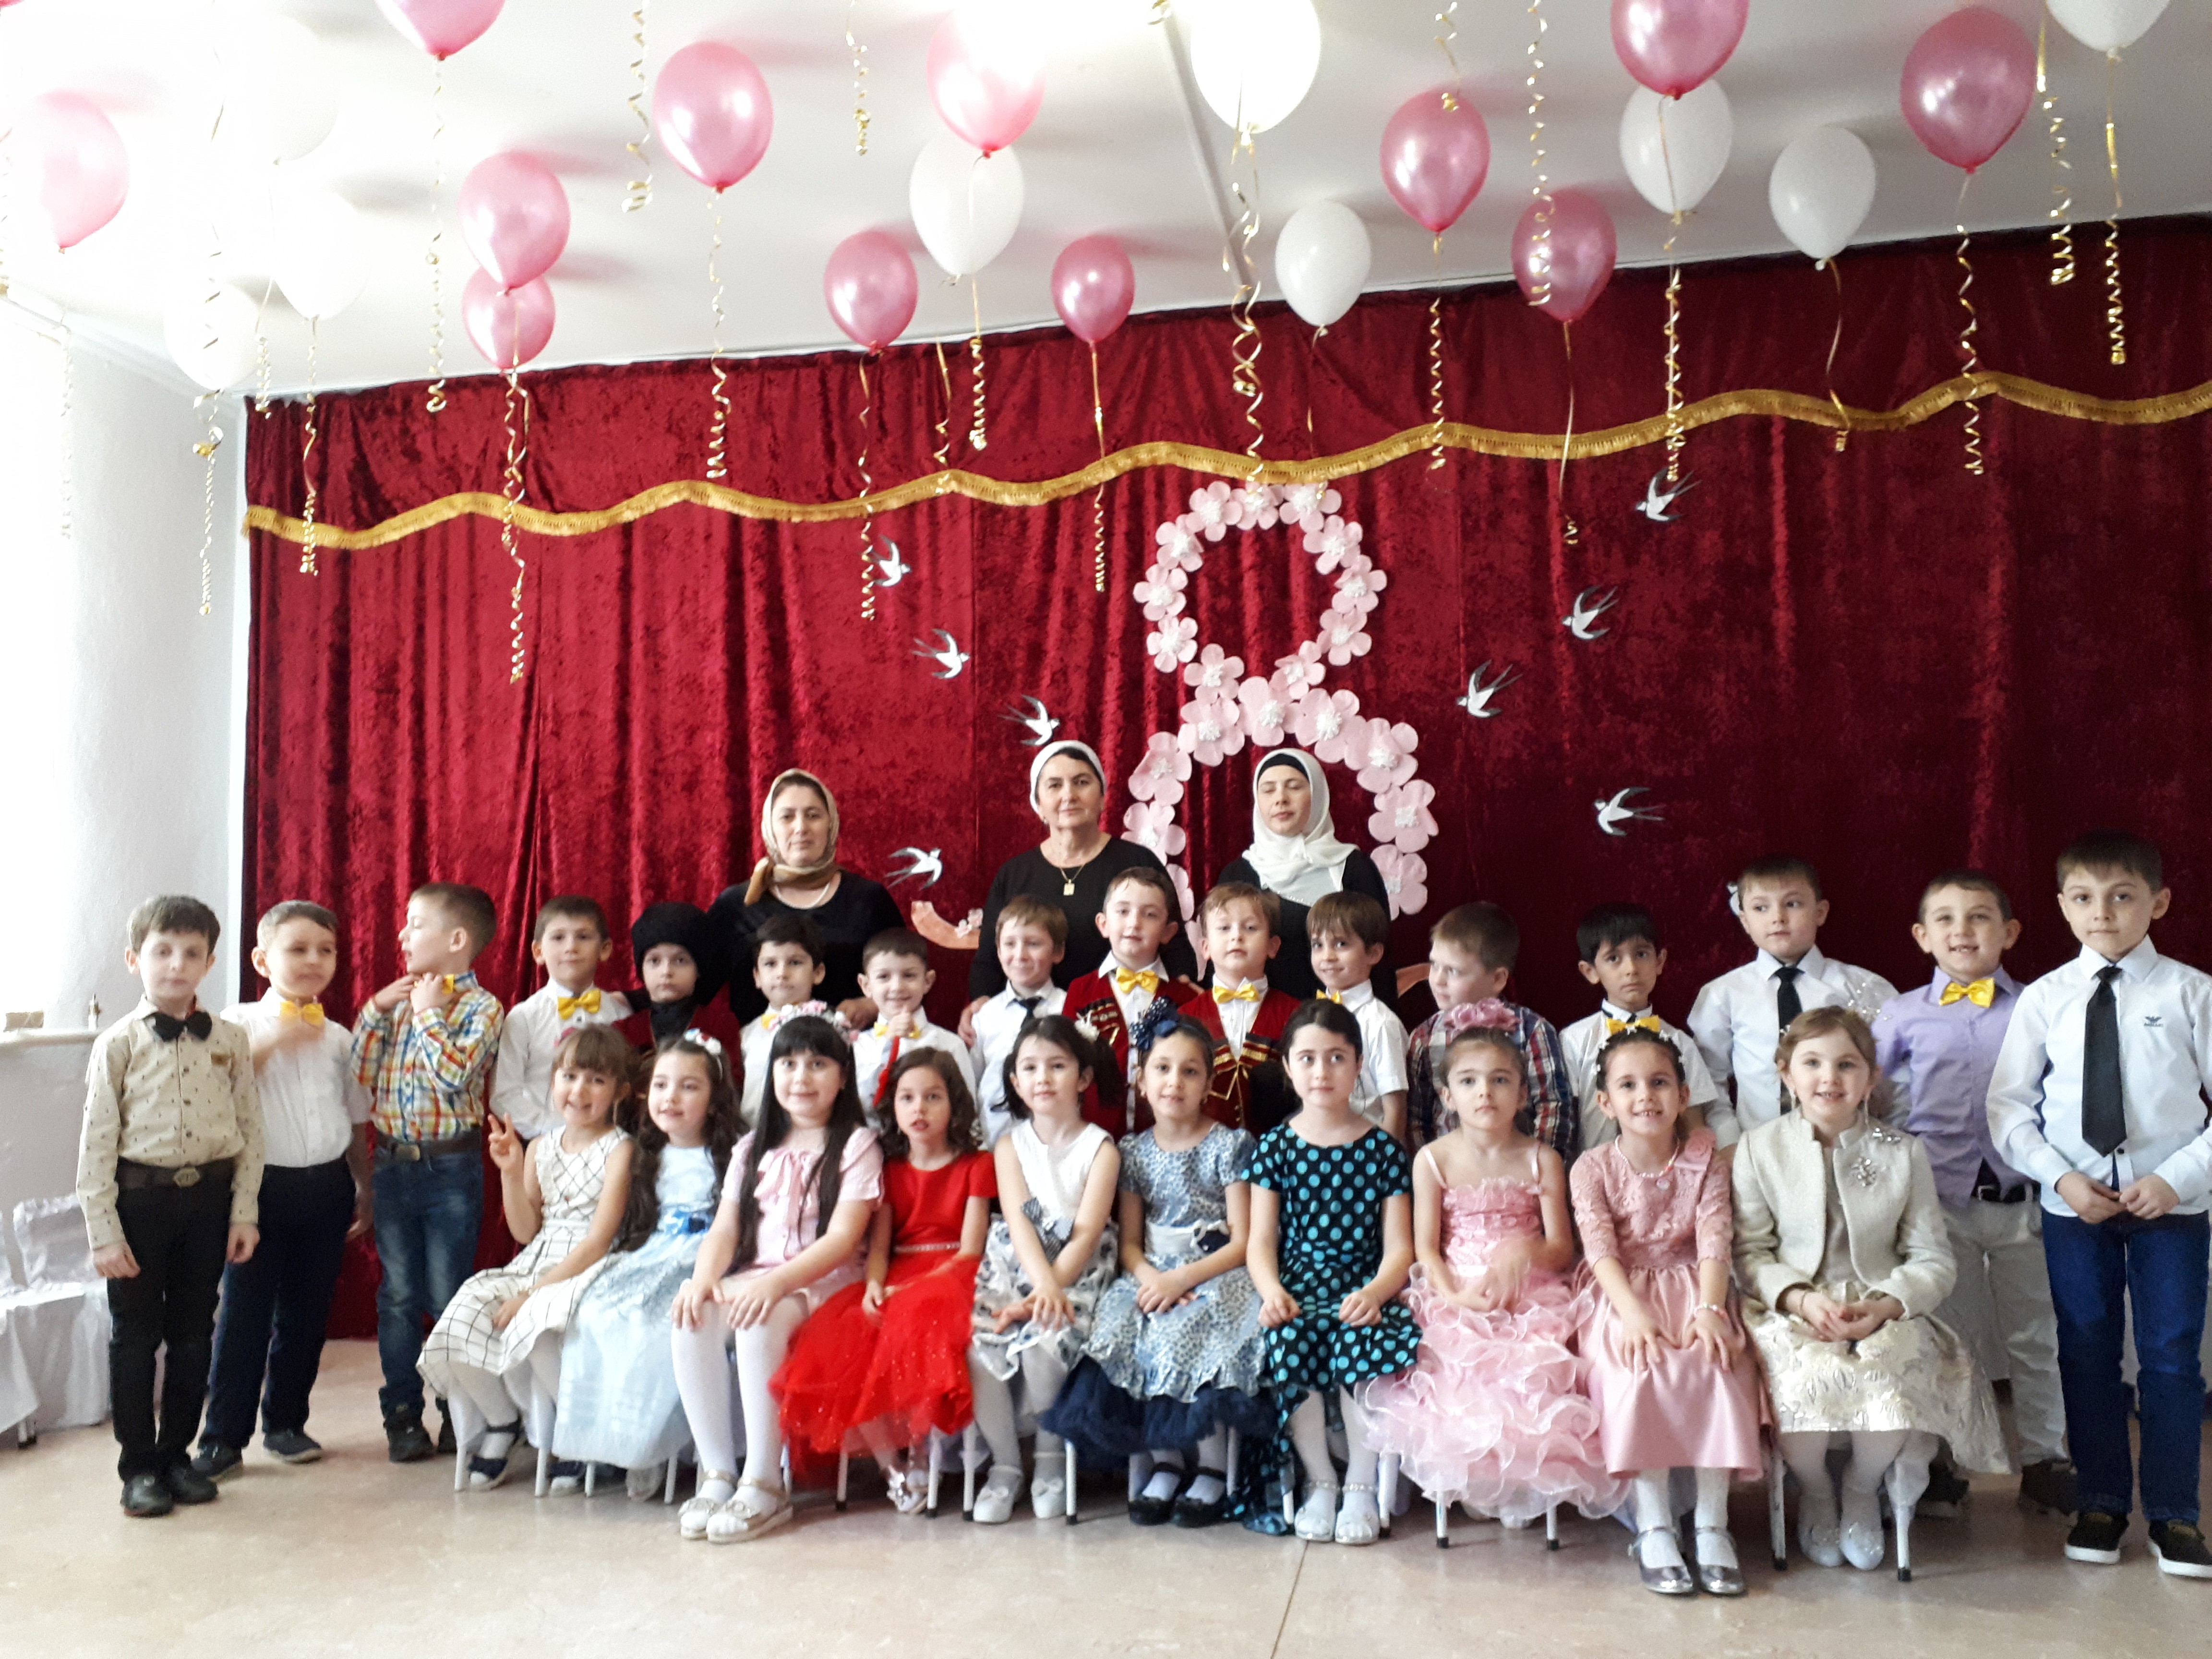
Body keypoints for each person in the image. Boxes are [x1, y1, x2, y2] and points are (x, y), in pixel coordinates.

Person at [1989, 830, 2212, 1578]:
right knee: (2085, 1353)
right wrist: (2061, 1180)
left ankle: (2176, 1515)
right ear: (2063, 906)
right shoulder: (2046, 999)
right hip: (2076, 1212)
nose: (2103, 914)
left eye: (2122, 897)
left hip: (2171, 1210)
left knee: (2171, 1357)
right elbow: (2008, 1109)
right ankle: (2102, 1503)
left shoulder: (2192, 992)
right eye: (2084, 899)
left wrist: (2176, 1177)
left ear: (2159, 902)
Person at [1735, 1008, 2008, 1573]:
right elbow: (1750, 1253)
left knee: (1888, 1371)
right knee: (1799, 1377)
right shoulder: (1759, 1148)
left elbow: (1933, 1257)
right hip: (1793, 1306)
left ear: (1871, 1078)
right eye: (1812, 1063)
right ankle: (1816, 1491)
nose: (1829, 1078)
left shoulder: (1902, 1152)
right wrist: (1800, 1299)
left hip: (1881, 1303)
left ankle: (1863, 1488)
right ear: (1786, 1074)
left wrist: (1886, 1305)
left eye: (1846, 1065)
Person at [1360, 1014, 1624, 1529]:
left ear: (1523, 1094)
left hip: (1531, 1291)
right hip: (1454, 1288)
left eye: (1500, 1080)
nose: (1485, 1092)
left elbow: (1561, 1247)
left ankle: (1522, 1479)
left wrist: (1525, 1253)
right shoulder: (1432, 1159)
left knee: (1530, 1365)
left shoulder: (1542, 1159)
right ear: (1447, 1096)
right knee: (1458, 1368)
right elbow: (1426, 1249)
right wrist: (1454, 1297)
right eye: (1469, 1081)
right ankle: (1475, 1475)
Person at [1874, 870, 2073, 1517]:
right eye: (1947, 919)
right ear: (1922, 936)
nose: (1962, 930)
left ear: (2009, 932)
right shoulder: (1901, 1014)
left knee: (2036, 1337)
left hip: (2024, 1202)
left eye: (1980, 916)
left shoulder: (2038, 1007)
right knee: (1945, 1339)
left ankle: (2045, 1458)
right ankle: (1942, 1463)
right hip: (1939, 1208)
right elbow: (1869, 1098)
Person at [1041, 1017, 1269, 1529]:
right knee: (1125, 1327)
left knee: (1195, 1329)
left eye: (1190, 1071)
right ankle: (1165, 1460)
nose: (1174, 1083)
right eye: (1162, 1069)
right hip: (1152, 1270)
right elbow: (1129, 1244)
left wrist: (1182, 1280)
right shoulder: (1133, 1152)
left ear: (1209, 1083)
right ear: (1141, 1082)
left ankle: (1211, 1466)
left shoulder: (1230, 1145)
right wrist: (1152, 1278)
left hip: (1214, 1273)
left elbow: (1243, 1241)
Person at [80, 895, 264, 1518]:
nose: (176, 965)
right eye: (162, 951)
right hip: (141, 1204)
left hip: (209, 1202)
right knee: (136, 1337)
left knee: (193, 1333)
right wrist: (104, 1232)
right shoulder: (117, 1044)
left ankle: (177, 1455)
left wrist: (244, 1211)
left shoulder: (231, 1040)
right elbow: (96, 1144)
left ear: (210, 962)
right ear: (135, 959)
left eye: (191, 953)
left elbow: (250, 1129)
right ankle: (138, 1468)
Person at [1571, 1028, 1766, 1597]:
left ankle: (1712, 1524)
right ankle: (1653, 1524)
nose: (1645, 1097)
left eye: (1659, 1083)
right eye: (1628, 1086)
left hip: (1696, 1283)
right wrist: (1632, 1314)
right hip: (1620, 1290)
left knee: (1718, 1362)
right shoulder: (1592, 1167)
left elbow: (1714, 1238)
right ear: (1606, 1102)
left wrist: (1710, 1308)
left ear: (1683, 1095)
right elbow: (1600, 1250)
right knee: (1638, 1366)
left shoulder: (1706, 1159)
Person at [671, 1015, 881, 1544]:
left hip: (826, 1282)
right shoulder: (753, 1147)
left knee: (759, 1319)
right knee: (692, 1315)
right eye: (788, 1064)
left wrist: (776, 1285)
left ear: (842, 1076)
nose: (801, 1077)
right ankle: (718, 1472)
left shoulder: (856, 1143)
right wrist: (702, 1280)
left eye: (817, 1064)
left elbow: (842, 1239)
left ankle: (765, 1480)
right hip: (759, 1275)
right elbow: (726, 1228)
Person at [193, 901, 371, 1483]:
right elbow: (217, 1087)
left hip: (326, 1187)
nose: (314, 960)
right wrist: (278, 1040)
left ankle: (287, 1423)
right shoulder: (236, 1023)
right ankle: (223, 1438)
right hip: (259, 1191)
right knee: (244, 1316)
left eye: (326, 950)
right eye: (298, 949)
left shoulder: (339, 1037)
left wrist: (364, 1185)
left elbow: (355, 1118)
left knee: (306, 1314)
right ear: (262, 960)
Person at [774, 1049, 996, 1512]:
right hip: (896, 1274)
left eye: (933, 1097)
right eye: (907, 1098)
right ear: (892, 1107)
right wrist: (875, 1285)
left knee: (917, 1323)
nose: (919, 1109)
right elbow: (879, 1248)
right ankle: (889, 1465)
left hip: (951, 1275)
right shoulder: (891, 1170)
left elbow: (971, 1251)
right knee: (842, 1340)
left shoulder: (976, 1165)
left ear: (954, 1103)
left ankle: (921, 1452)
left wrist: (911, 1290)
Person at [419, 1024, 635, 1491]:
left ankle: (578, 1435)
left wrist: (533, 1294)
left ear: (620, 1091)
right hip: (537, 1258)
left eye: (596, 1080)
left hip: (588, 1265)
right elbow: (524, 1231)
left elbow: (599, 1241)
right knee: (462, 1313)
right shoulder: (541, 1146)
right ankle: (501, 1421)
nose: (579, 1091)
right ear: (553, 1080)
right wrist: (512, 1174)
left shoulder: (620, 1149)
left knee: (536, 1322)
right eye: (569, 1076)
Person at [1246, 1000, 1419, 1548]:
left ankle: (1362, 1484)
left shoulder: (1384, 1150)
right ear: (1288, 1067)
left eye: (1337, 1058)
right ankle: (1320, 1480)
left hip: (1363, 1284)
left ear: (1359, 1064)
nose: (1322, 1071)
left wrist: (1376, 1292)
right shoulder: (1275, 1147)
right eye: (1308, 1059)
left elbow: (1400, 1248)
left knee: (1361, 1341)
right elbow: (1261, 1240)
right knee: (1288, 1339)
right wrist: (1272, 1291)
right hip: (1297, 1285)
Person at [350, 881, 505, 1463]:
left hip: (450, 1170)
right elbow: (360, 1075)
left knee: (447, 1294)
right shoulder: (397, 1002)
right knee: (397, 1295)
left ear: (457, 940)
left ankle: (456, 1410)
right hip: (394, 1165)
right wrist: (375, 1012)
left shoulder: (483, 1008)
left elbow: (453, 1077)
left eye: (416, 924)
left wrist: (429, 1016)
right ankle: (402, 1414)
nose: (402, 934)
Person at [553, 1034, 744, 1499]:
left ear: (715, 1099)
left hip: (705, 1257)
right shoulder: (644, 1153)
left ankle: (660, 1448)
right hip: (653, 1252)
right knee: (595, 1311)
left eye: (688, 1087)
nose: (670, 1098)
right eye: (660, 1085)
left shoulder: (734, 1155)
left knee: (658, 1326)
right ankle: (616, 1447)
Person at [967, 1014, 1123, 1525]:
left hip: (1077, 1268)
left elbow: (1087, 1231)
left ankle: (1050, 1457)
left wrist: (1052, 1291)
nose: (1043, 1078)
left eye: (1057, 1066)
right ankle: (1006, 1464)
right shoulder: (1009, 1146)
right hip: (1017, 1263)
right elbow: (1019, 1221)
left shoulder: (1101, 1148)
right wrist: (1039, 1286)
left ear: (1083, 1077)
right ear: (1015, 1081)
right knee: (979, 1346)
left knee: (1044, 1340)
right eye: (1030, 1068)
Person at [963, 741, 1197, 1020]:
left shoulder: (1138, 862)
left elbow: (1175, 946)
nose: (1069, 795)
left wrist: (1185, 1001)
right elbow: (989, 960)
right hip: (1034, 1025)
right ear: (1038, 805)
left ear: (1102, 797)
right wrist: (982, 1008)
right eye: (1054, 785)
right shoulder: (1014, 874)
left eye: (1081, 783)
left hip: (1124, 1020)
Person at [1688, 855, 1898, 1137]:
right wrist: (1729, 1141)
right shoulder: (1722, 995)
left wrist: (1886, 1135)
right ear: (1745, 920)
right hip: (1758, 1146)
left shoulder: (1864, 987)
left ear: (1820, 912)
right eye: (1761, 908)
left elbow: (1895, 1074)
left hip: (1848, 1144)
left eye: (1793, 904)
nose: (1778, 917)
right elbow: (1708, 1078)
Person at [710, 769, 903, 1026]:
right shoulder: (737, 904)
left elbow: (908, 973)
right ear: (769, 827)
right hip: (755, 1047)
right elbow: (695, 984)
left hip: (855, 1046)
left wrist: (873, 1005)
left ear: (831, 824)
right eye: (787, 817)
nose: (801, 828)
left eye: (813, 816)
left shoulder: (869, 900)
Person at [1217, 747, 1395, 1003]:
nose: (1281, 799)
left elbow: (1380, 959)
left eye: (1294, 787)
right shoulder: (1238, 874)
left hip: (1340, 1018)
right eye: (1268, 790)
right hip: (1260, 1017)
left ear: (1317, 795)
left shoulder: (1354, 868)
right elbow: (1223, 958)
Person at [1406, 903, 1573, 1157]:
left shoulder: (1531, 1031)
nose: (1437, 980)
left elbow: (1553, 1106)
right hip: (1451, 1168)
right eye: (1434, 965)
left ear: (1497, 979)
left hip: (1519, 1164)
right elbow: (1417, 1118)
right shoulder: (1424, 1037)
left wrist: (1538, 1165)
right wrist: (1431, 1164)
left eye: (1453, 971)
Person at [1559, 902, 1724, 1152]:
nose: (1631, 969)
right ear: (1590, 971)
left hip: (1664, 1169)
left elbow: (1693, 1123)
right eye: (1614, 958)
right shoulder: (1574, 1039)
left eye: (1641, 955)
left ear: (1660, 961)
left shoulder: (1680, 1042)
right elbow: (1565, 1117)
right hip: (1594, 1167)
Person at [1061, 865, 1201, 1133]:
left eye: (1150, 915)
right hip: (1094, 1134)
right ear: (1103, 924)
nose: (1134, 923)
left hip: (1165, 1137)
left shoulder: (1185, 998)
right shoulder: (1080, 991)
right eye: (1123, 911)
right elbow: (1066, 1063)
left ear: (1168, 932)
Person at [490, 897, 632, 1141]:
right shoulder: (524, 1017)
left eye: (583, 937)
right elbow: (504, 1094)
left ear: (605, 949)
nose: (571, 947)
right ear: (538, 951)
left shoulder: (620, 1014)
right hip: (542, 1142)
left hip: (608, 1143)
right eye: (558, 938)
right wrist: (553, 1130)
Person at [1187, 882, 1301, 1134]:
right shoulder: (1185, 1018)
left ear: (1273, 946)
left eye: (1250, 928)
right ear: (1205, 948)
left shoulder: (1297, 1016)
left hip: (1281, 1146)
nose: (1236, 936)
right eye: (1224, 928)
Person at [1308, 890, 1408, 1143]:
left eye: (1341, 944)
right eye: (1318, 945)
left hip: (1369, 1152)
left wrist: (1387, 1162)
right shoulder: (1310, 1017)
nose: (1327, 956)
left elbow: (1395, 1109)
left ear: (1373, 953)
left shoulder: (1380, 1023)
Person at [970, 896, 1068, 1145]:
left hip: (1057, 1142)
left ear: (1057, 952)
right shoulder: (986, 1016)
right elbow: (972, 1082)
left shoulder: (1070, 1008)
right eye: (1010, 944)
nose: (1020, 955)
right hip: (994, 1143)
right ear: (998, 950)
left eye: (1033, 944)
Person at [850, 928, 975, 1118]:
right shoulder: (858, 1047)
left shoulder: (950, 1045)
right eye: (884, 977)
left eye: (909, 976)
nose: (897, 987)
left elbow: (966, 1109)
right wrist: (887, 1045)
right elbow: (858, 1105)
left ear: (928, 981)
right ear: (866, 985)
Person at [612, 901, 743, 1058]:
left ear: (698, 969)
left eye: (680, 961)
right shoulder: (623, 1031)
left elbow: (731, 1073)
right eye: (655, 961)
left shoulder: (720, 1026)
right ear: (641, 970)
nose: (666, 972)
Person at [737, 914, 831, 1124]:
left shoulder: (833, 1028)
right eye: (770, 964)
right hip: (753, 1133)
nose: (782, 973)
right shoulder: (746, 1035)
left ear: (818, 972)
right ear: (757, 977)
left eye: (795, 963)